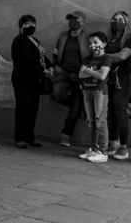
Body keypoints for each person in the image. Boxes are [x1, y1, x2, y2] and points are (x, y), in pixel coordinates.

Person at [11, 14, 52, 148]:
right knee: (23, 108)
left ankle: (30, 137)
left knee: (33, 108)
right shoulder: (19, 40)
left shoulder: (35, 40)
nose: (31, 26)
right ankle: (20, 138)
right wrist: (42, 69)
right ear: (21, 26)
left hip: (35, 79)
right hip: (22, 79)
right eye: (27, 24)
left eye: (33, 23)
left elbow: (42, 56)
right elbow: (27, 59)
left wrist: (51, 66)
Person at [53, 11, 90, 147]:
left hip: (78, 76)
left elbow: (89, 57)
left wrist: (84, 72)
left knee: (74, 108)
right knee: (57, 94)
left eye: (76, 20)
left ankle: (65, 135)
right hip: (63, 73)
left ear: (82, 22)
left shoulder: (86, 38)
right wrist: (55, 65)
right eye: (70, 20)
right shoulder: (63, 36)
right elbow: (55, 52)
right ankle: (80, 107)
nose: (72, 22)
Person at [78, 32, 112, 163]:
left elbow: (102, 76)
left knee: (100, 121)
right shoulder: (87, 58)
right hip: (87, 91)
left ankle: (102, 151)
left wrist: (87, 70)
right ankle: (93, 148)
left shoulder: (106, 58)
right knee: (91, 122)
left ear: (103, 44)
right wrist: (94, 72)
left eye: (96, 43)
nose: (92, 45)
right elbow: (80, 75)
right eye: (90, 43)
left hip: (99, 92)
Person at [105, 11, 131, 160]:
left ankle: (123, 147)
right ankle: (113, 143)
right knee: (110, 113)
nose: (117, 22)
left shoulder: (129, 38)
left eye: (121, 19)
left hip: (123, 80)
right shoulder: (111, 39)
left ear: (126, 22)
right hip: (109, 79)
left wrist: (104, 58)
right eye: (114, 19)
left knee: (121, 113)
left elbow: (123, 56)